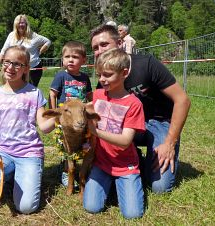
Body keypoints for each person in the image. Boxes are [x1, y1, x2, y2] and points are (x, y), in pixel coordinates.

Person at [90, 24, 191, 194]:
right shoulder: (104, 76)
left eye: (104, 44)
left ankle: (149, 158)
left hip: (159, 123)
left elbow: (183, 100)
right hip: (128, 125)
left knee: (160, 187)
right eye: (95, 48)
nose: (99, 50)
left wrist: (169, 143)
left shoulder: (147, 64)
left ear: (120, 43)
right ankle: (133, 157)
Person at [0, 46, 56, 214]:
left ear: (26, 68)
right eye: (7, 62)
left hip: (30, 155)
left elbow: (44, 127)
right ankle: (9, 175)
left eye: (17, 64)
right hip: (5, 154)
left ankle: (23, 174)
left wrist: (61, 116)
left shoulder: (35, 93)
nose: (10, 67)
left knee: (26, 207)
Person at [83, 48, 145, 219]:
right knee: (91, 207)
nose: (102, 79)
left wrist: (95, 132)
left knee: (133, 215)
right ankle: (109, 184)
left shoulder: (134, 104)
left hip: (125, 166)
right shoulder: (97, 95)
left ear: (124, 73)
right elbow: (84, 109)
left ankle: (133, 176)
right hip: (101, 163)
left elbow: (125, 141)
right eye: (100, 74)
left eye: (108, 75)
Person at [49, 41, 92, 187]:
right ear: (62, 59)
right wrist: (55, 113)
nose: (70, 60)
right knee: (66, 143)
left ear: (84, 60)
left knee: (83, 141)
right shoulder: (61, 76)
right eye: (67, 57)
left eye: (75, 57)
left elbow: (90, 96)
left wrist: (92, 110)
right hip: (66, 116)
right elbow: (53, 93)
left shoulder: (85, 78)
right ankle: (67, 170)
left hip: (80, 115)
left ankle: (85, 167)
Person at [0, 14, 51, 87]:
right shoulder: (11, 35)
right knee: (16, 90)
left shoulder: (34, 36)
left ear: (26, 24)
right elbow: (4, 50)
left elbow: (48, 41)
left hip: (32, 69)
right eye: (19, 23)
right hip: (16, 68)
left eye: (22, 23)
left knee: (30, 92)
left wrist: (40, 51)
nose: (21, 25)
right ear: (15, 24)